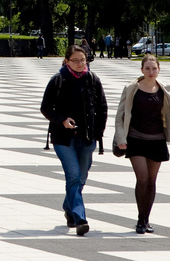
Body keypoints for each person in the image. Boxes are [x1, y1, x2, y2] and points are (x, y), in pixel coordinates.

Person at [41, 44, 108, 236]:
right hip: (63, 138)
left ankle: (69, 207)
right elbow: (46, 108)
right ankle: (80, 218)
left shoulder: (93, 80)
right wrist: (62, 119)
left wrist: (98, 133)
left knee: (82, 177)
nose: (79, 64)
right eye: (75, 60)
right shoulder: (58, 80)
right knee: (73, 175)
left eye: (83, 60)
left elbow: (102, 107)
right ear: (66, 61)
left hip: (87, 137)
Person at [114, 54, 170, 234]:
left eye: (154, 68)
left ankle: (145, 219)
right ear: (141, 70)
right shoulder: (131, 88)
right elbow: (120, 115)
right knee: (142, 178)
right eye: (147, 68)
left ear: (159, 69)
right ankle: (140, 219)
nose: (151, 72)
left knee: (151, 180)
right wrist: (121, 138)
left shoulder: (164, 89)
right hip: (135, 139)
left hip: (157, 139)